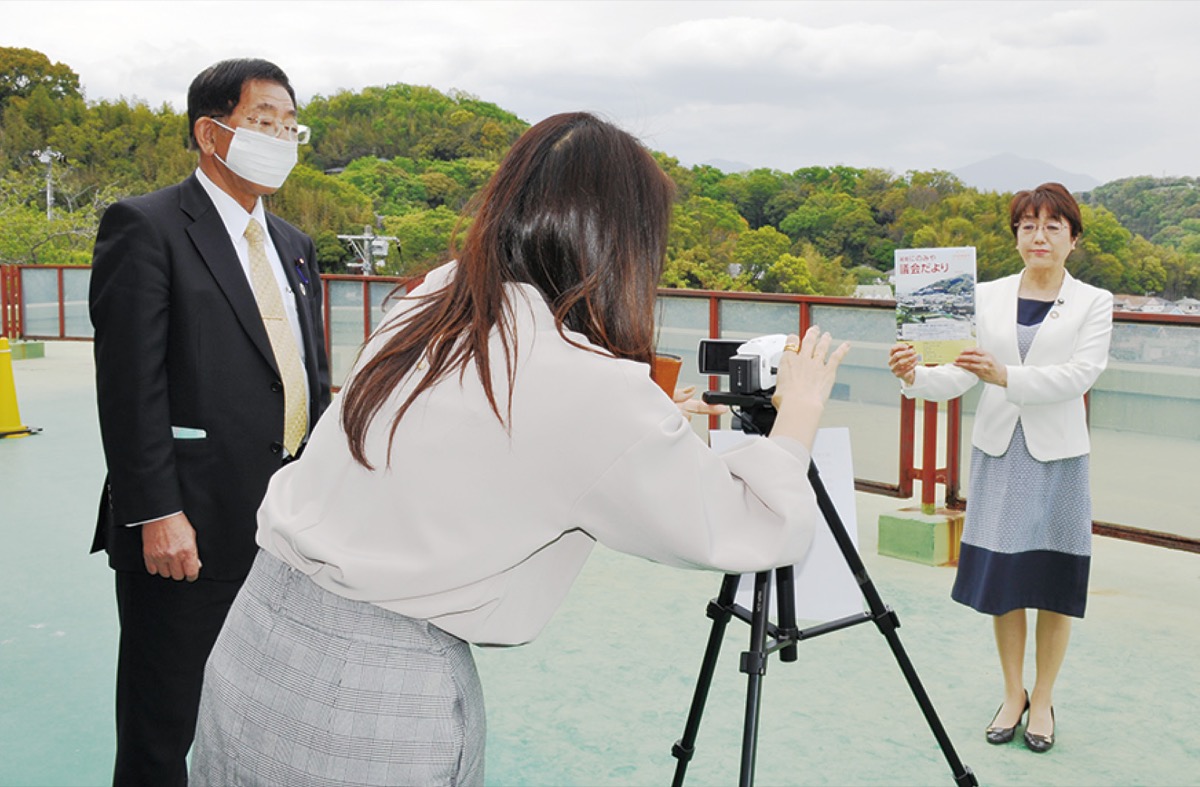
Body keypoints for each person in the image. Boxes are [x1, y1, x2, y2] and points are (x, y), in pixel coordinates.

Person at [188, 112, 849, 786]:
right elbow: (755, 523)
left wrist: (650, 422)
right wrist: (799, 408)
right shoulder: (590, 387)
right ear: (623, 244)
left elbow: (474, 435)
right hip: (374, 698)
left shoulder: (431, 299)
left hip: (254, 639)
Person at [89, 58, 331, 785]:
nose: (279, 139)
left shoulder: (294, 246)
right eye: (263, 122)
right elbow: (129, 387)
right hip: (186, 529)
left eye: (290, 127)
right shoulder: (147, 226)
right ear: (210, 132)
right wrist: (156, 512)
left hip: (284, 529)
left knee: (271, 715)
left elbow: (304, 377)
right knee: (162, 729)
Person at [888, 182, 1113, 753]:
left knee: (1053, 581)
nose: (1040, 237)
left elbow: (1080, 375)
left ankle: (1044, 698)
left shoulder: (1093, 301)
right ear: (1015, 236)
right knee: (1008, 582)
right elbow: (957, 373)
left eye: (1053, 227)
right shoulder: (983, 295)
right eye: (1028, 226)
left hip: (1059, 457)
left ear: (1073, 238)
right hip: (998, 451)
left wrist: (1005, 376)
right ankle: (1013, 694)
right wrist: (914, 375)